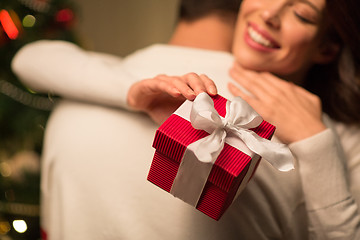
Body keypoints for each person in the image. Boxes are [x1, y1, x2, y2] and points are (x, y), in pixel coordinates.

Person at [127, 0, 360, 239]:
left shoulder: (346, 139)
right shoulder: (181, 72)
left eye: (301, 15)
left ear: (326, 48)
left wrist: (316, 143)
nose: (269, 13)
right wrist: (131, 96)